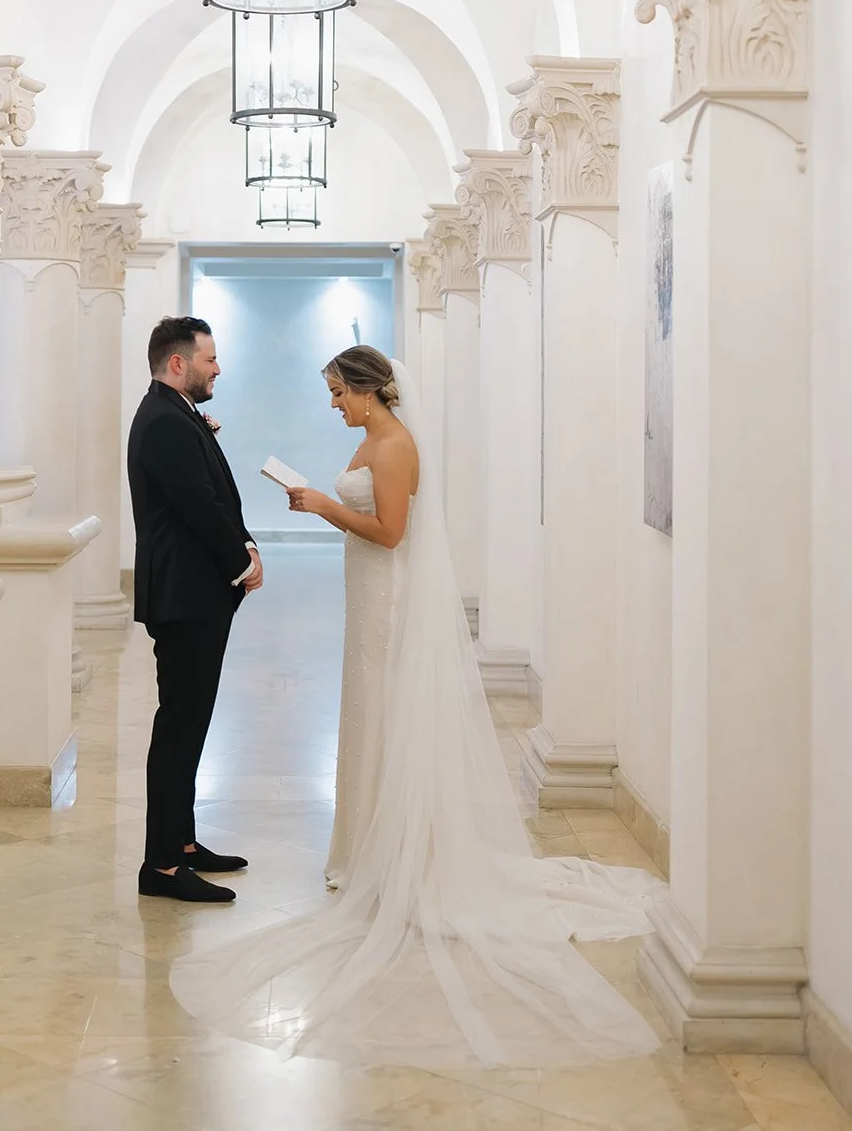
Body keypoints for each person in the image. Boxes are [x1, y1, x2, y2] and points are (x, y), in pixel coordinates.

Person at [170, 346, 667, 1068]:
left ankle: (403, 852)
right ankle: (370, 845)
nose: (333, 405)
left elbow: (392, 534)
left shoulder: (396, 444)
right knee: (367, 715)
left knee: (385, 710)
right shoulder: (370, 438)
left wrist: (323, 505)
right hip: (364, 592)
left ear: (371, 390)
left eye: (339, 392)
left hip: (389, 597)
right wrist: (325, 505)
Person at [128, 316, 263, 905]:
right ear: (178, 363)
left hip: (195, 592)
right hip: (185, 596)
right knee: (179, 726)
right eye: (209, 358)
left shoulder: (175, 413)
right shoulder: (163, 420)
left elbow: (214, 491)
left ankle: (182, 844)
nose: (217, 367)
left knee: (191, 722)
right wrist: (241, 559)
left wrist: (247, 544)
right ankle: (160, 867)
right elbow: (198, 507)